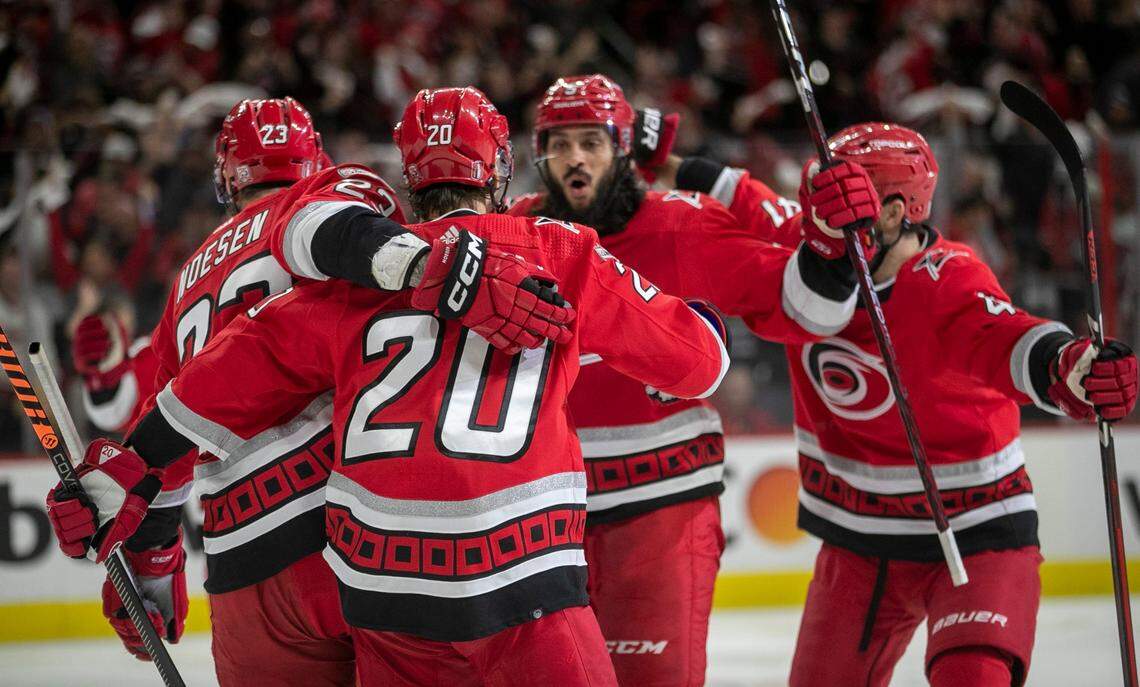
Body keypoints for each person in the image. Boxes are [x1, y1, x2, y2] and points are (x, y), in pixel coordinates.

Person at [41, 86, 740, 686]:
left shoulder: (299, 291)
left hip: (358, 583)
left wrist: (136, 482)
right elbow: (700, 362)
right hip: (517, 579)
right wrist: (697, 317)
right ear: (500, 169)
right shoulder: (540, 247)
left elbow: (217, 378)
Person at [660, 122, 1139, 687]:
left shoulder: (949, 281)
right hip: (859, 547)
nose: (823, 213)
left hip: (975, 533)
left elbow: (1011, 338)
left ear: (892, 213)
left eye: (846, 200)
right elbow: (743, 195)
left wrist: (1074, 370)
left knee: (974, 678)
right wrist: (653, 158)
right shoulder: (808, 244)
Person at [505, 74, 879, 685]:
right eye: (559, 143)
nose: (574, 158)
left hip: (660, 516)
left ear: (622, 150)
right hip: (540, 516)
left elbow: (811, 310)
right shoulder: (517, 232)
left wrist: (834, 238)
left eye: (591, 142)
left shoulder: (682, 224)